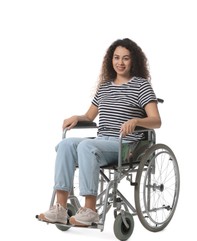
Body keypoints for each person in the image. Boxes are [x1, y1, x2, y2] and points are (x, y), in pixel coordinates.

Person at [38, 38, 162, 226]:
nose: (120, 62)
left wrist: (137, 120)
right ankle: (60, 209)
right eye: (116, 58)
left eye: (125, 58)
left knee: (87, 146)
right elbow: (89, 116)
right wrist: (77, 117)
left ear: (133, 61)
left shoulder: (141, 85)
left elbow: (156, 121)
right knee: (66, 144)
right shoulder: (104, 87)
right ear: (110, 60)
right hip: (102, 141)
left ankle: (90, 210)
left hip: (126, 145)